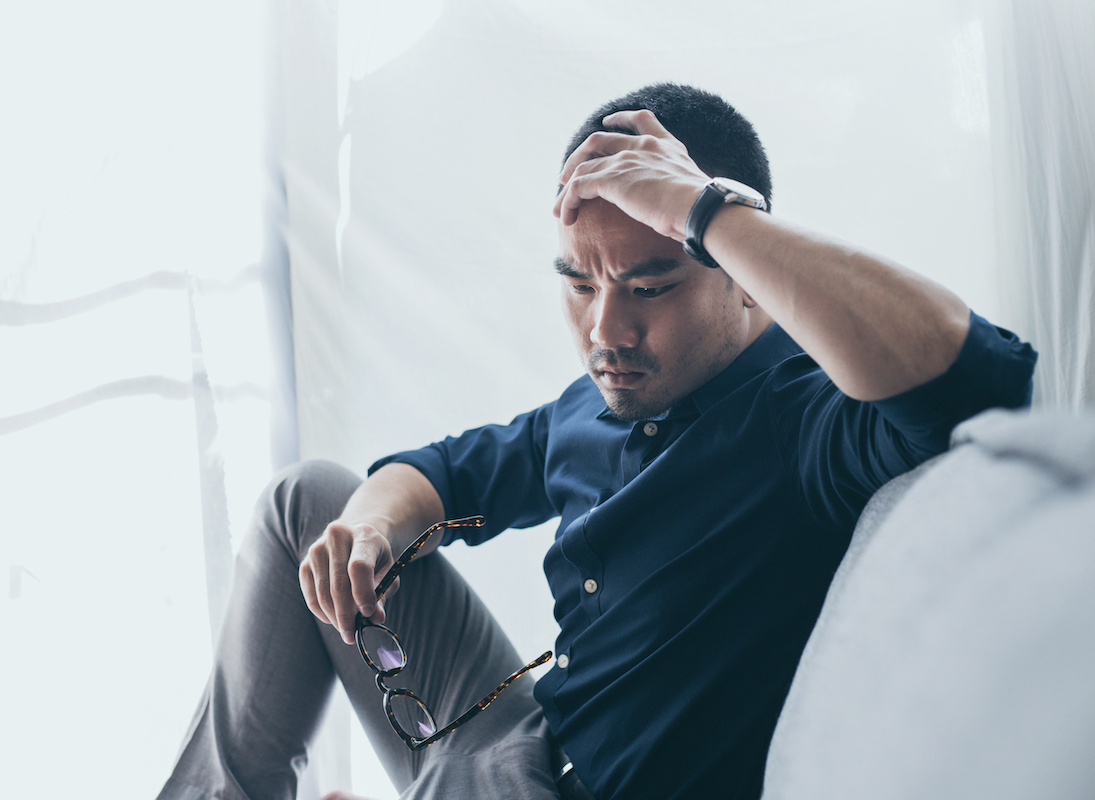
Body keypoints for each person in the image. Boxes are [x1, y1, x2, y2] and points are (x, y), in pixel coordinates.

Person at [158, 83, 1037, 800]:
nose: (604, 331)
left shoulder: (805, 418)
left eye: (649, 285)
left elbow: (972, 378)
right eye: (580, 284)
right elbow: (447, 472)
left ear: (740, 271)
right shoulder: (591, 406)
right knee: (304, 502)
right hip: (516, 743)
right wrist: (375, 526)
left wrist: (702, 208)